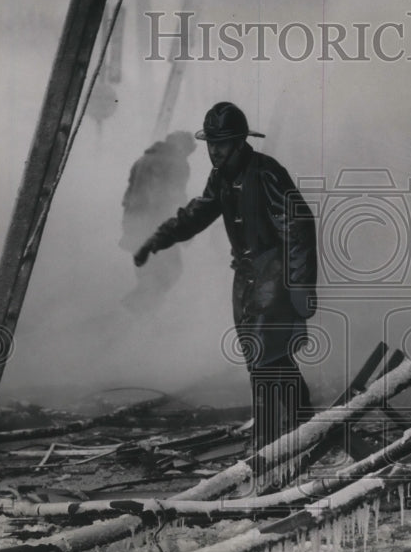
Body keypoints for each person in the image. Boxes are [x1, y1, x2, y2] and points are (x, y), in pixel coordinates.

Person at [134, 101, 318, 454]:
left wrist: (301, 286)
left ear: (239, 142)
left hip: (274, 273)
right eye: (211, 144)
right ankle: (304, 425)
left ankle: (265, 445)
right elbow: (198, 212)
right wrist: (158, 238)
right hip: (247, 276)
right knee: (266, 358)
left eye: (222, 143)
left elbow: (298, 227)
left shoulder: (266, 172)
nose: (214, 151)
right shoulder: (221, 176)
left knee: (265, 357)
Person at [120, 131, 196, 308]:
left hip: (136, 226)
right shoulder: (176, 162)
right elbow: (175, 197)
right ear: (182, 147)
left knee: (147, 273)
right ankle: (139, 314)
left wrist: (128, 226)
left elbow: (128, 196)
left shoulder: (142, 160)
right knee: (170, 271)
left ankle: (138, 314)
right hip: (158, 226)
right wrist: (186, 229)